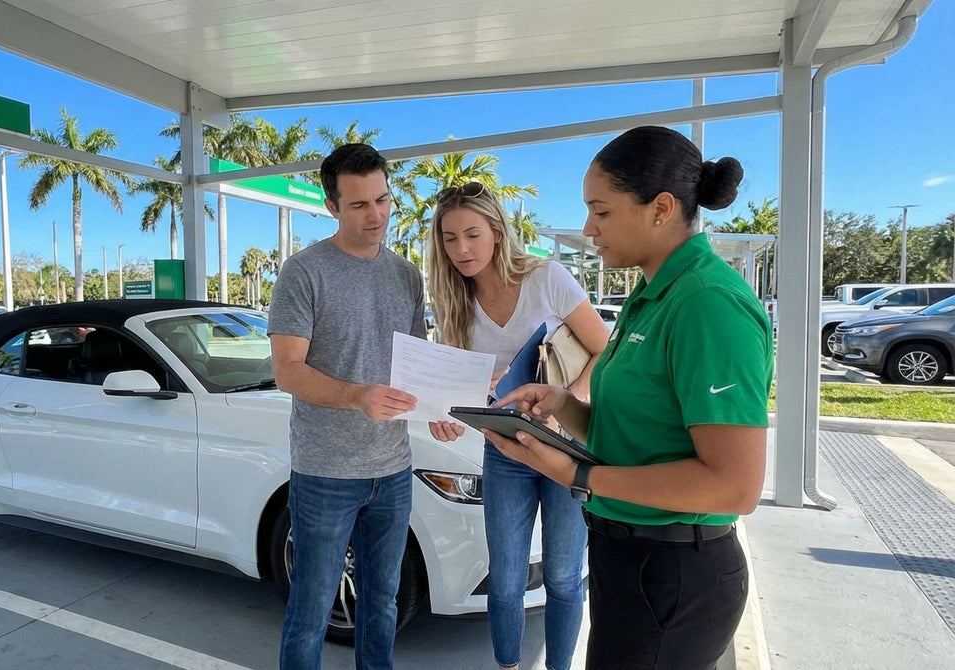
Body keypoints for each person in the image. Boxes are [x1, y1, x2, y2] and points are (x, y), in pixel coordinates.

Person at [487, 125, 774, 670]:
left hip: (674, 572)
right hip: (632, 561)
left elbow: (734, 485)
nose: (589, 228)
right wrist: (562, 406)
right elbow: (638, 434)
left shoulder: (707, 304)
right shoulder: (649, 294)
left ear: (661, 208)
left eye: (601, 211)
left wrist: (577, 476)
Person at [424, 182, 610, 670]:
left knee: (565, 576)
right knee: (505, 580)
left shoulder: (546, 277)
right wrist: (449, 419)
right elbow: (467, 387)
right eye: (449, 238)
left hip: (566, 448)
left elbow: (604, 350)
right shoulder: (453, 301)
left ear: (498, 233)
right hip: (505, 450)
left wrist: (568, 401)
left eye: (472, 234)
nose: (461, 249)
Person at [268, 143, 426, 670]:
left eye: (382, 199)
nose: (376, 214)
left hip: (394, 469)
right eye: (359, 205)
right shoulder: (304, 271)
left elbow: (415, 366)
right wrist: (357, 395)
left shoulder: (407, 275)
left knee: (381, 605)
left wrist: (442, 415)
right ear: (332, 205)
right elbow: (288, 370)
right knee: (311, 609)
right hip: (325, 472)